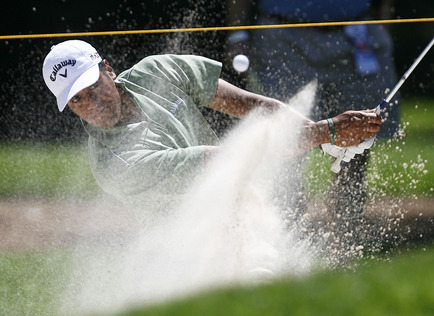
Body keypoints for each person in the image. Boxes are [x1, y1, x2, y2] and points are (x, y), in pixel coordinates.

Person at [42, 40, 382, 225]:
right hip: (189, 246)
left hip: (242, 209)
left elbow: (249, 104)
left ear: (108, 70)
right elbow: (233, 159)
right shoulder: (115, 165)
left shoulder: (155, 71)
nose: (91, 103)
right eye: (77, 100)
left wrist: (321, 136)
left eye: (92, 86)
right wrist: (328, 132)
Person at [225, 0, 399, 254]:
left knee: (358, 139)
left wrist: (383, 26)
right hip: (283, 35)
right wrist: (238, 33)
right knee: (286, 138)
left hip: (356, 34)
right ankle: (286, 241)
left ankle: (346, 240)